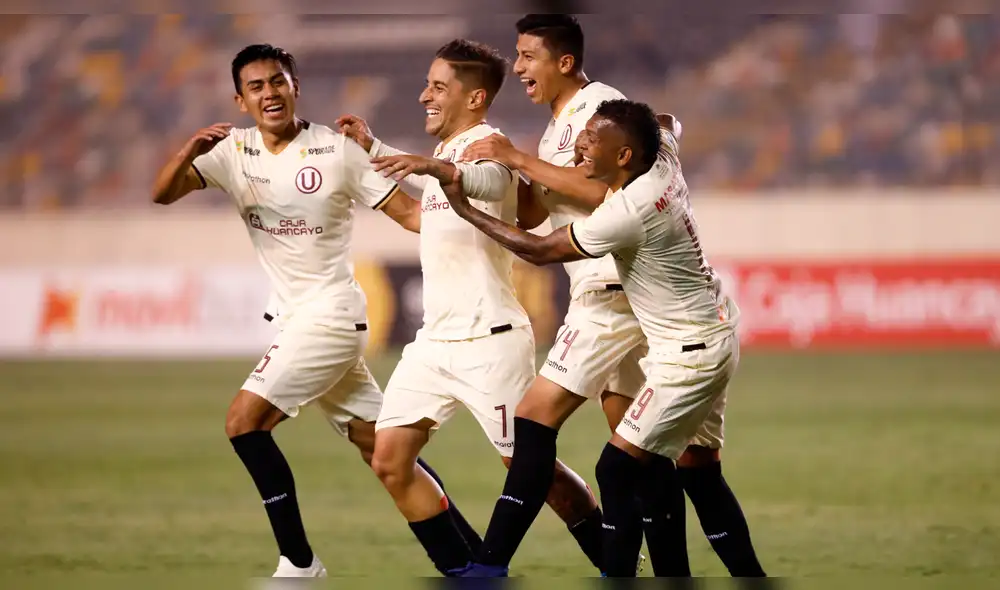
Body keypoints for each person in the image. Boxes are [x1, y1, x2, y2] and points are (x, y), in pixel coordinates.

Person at [151, 43, 480, 578]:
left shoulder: (336, 150)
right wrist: (188, 149)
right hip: (297, 319)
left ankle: (298, 561)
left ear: (295, 87)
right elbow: (162, 193)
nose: (269, 93)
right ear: (240, 100)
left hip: (329, 318)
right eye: (256, 86)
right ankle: (471, 562)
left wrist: (478, 219)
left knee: (244, 422)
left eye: (277, 82)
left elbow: (411, 215)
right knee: (385, 452)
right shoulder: (231, 152)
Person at [439, 98, 766, 578]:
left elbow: (540, 249)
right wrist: (626, 136)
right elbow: (666, 121)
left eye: (593, 140)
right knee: (699, 472)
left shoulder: (629, 211)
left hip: (688, 357)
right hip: (712, 333)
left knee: (615, 467)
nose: (581, 145)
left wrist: (465, 209)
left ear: (624, 156)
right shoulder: (662, 157)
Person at [336, 38, 606, 576]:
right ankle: (464, 573)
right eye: (427, 85)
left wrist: (437, 168)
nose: (425, 96)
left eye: (438, 87)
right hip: (434, 343)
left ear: (475, 97)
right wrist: (371, 148)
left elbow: (485, 180)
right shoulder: (447, 155)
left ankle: (615, 560)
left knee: (534, 472)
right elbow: (421, 214)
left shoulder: (489, 145)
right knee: (389, 460)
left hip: (490, 341)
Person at [455, 14, 688, 576]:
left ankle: (489, 566)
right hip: (615, 293)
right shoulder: (555, 130)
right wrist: (500, 170)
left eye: (527, 56)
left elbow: (602, 190)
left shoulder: (598, 107)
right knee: (639, 449)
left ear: (564, 62)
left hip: (610, 290)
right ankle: (662, 572)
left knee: (534, 419)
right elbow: (536, 212)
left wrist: (515, 159)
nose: (518, 67)